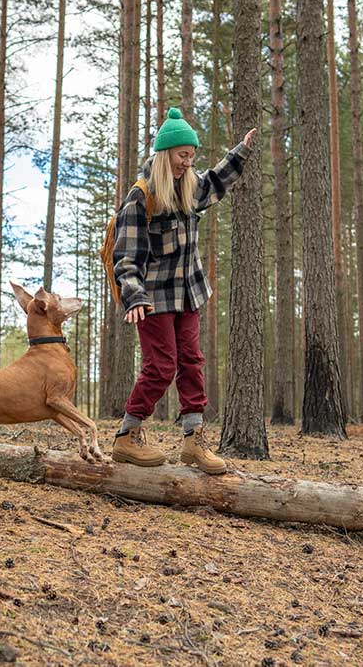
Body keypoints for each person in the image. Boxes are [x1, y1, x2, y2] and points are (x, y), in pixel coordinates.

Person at [110, 107, 257, 474]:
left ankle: (193, 441)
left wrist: (241, 151)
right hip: (154, 298)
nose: (187, 163)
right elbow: (125, 256)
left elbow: (217, 181)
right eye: (181, 156)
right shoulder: (141, 196)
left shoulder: (191, 188)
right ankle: (127, 435)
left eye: (191, 156)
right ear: (165, 154)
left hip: (188, 294)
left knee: (191, 362)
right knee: (161, 367)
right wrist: (134, 296)